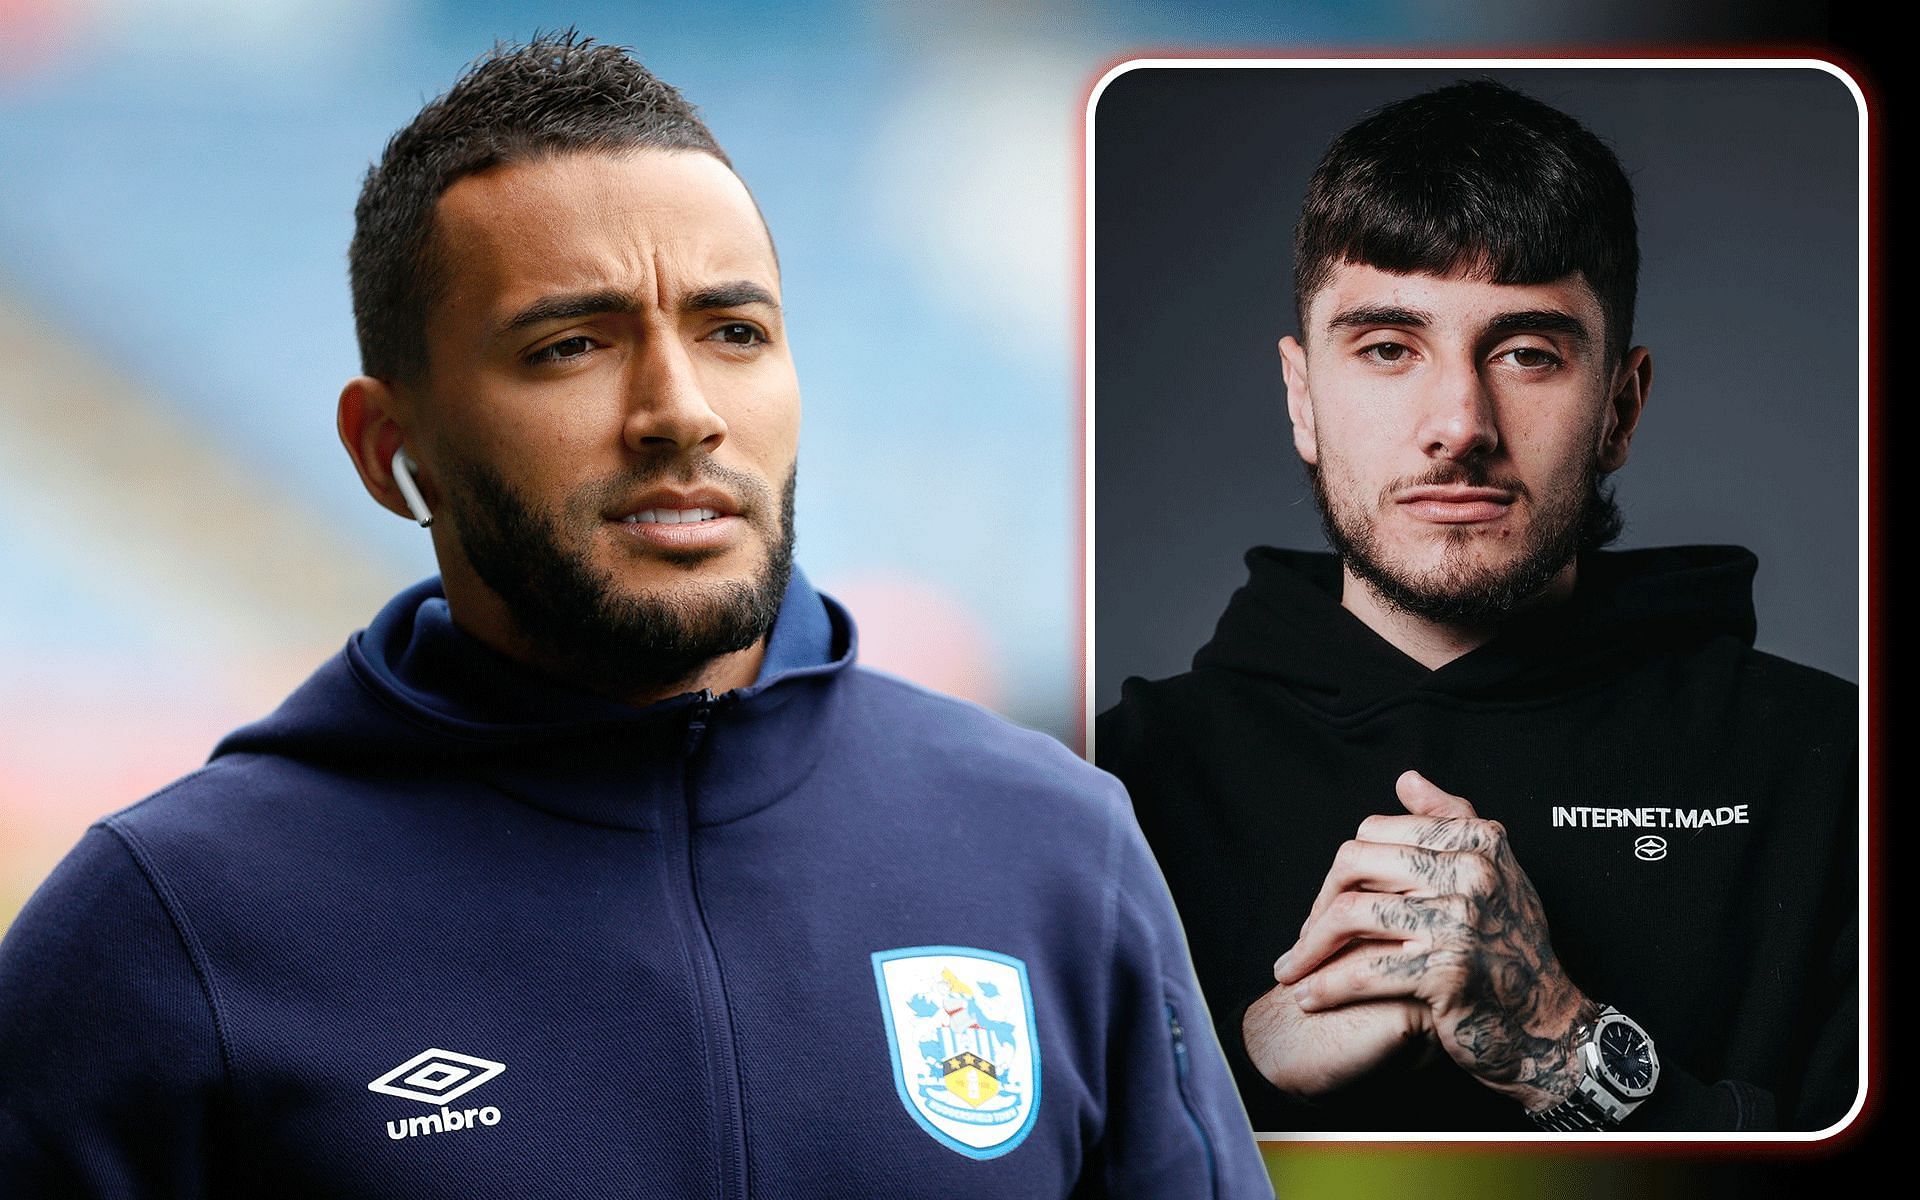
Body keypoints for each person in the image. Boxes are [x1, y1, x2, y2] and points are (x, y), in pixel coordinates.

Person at [0, 33, 1270, 1197]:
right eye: (570, 345)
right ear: (392, 448)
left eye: (733, 330)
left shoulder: (1054, 848)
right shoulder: (169, 926)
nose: (680, 409)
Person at [1096, 80, 1857, 1134]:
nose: (1458, 423)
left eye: (1526, 352)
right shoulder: (1109, 791)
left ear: (1621, 408)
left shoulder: (1836, 772)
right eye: (1387, 348)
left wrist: (1558, 1045)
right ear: (1301, 398)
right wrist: (1231, 1073)